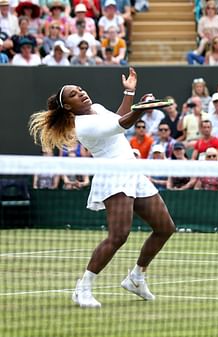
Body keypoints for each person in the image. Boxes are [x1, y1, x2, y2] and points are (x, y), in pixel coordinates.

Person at [28, 68, 176, 307]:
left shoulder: (96, 108)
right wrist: (142, 109)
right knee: (118, 235)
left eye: (80, 90)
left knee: (165, 227)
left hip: (132, 170)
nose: (81, 94)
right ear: (67, 106)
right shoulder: (81, 125)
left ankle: (136, 278)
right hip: (112, 175)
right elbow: (121, 125)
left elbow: (117, 118)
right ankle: (82, 288)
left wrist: (129, 92)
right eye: (74, 95)